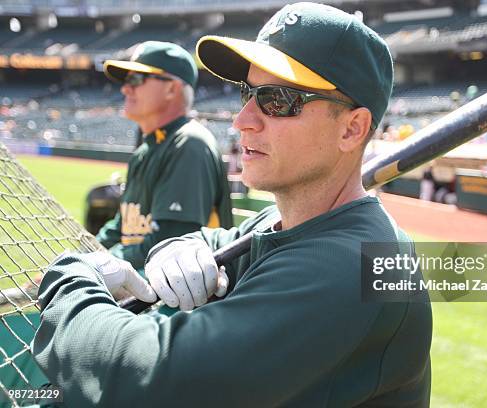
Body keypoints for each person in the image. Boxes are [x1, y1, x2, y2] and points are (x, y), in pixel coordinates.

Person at [32, 3, 432, 407]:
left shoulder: (354, 265)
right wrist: (184, 246)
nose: (242, 119)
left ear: (352, 128)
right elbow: (225, 237)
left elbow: (150, 379)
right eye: (248, 93)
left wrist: (72, 281)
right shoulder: (284, 219)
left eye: (277, 100)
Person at [95, 41, 233, 270]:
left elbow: (170, 246)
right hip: (142, 284)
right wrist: (80, 258)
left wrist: (96, 264)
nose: (125, 89)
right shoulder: (147, 149)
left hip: (180, 296)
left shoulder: (189, 144)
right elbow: (120, 228)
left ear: (172, 88)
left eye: (136, 79)